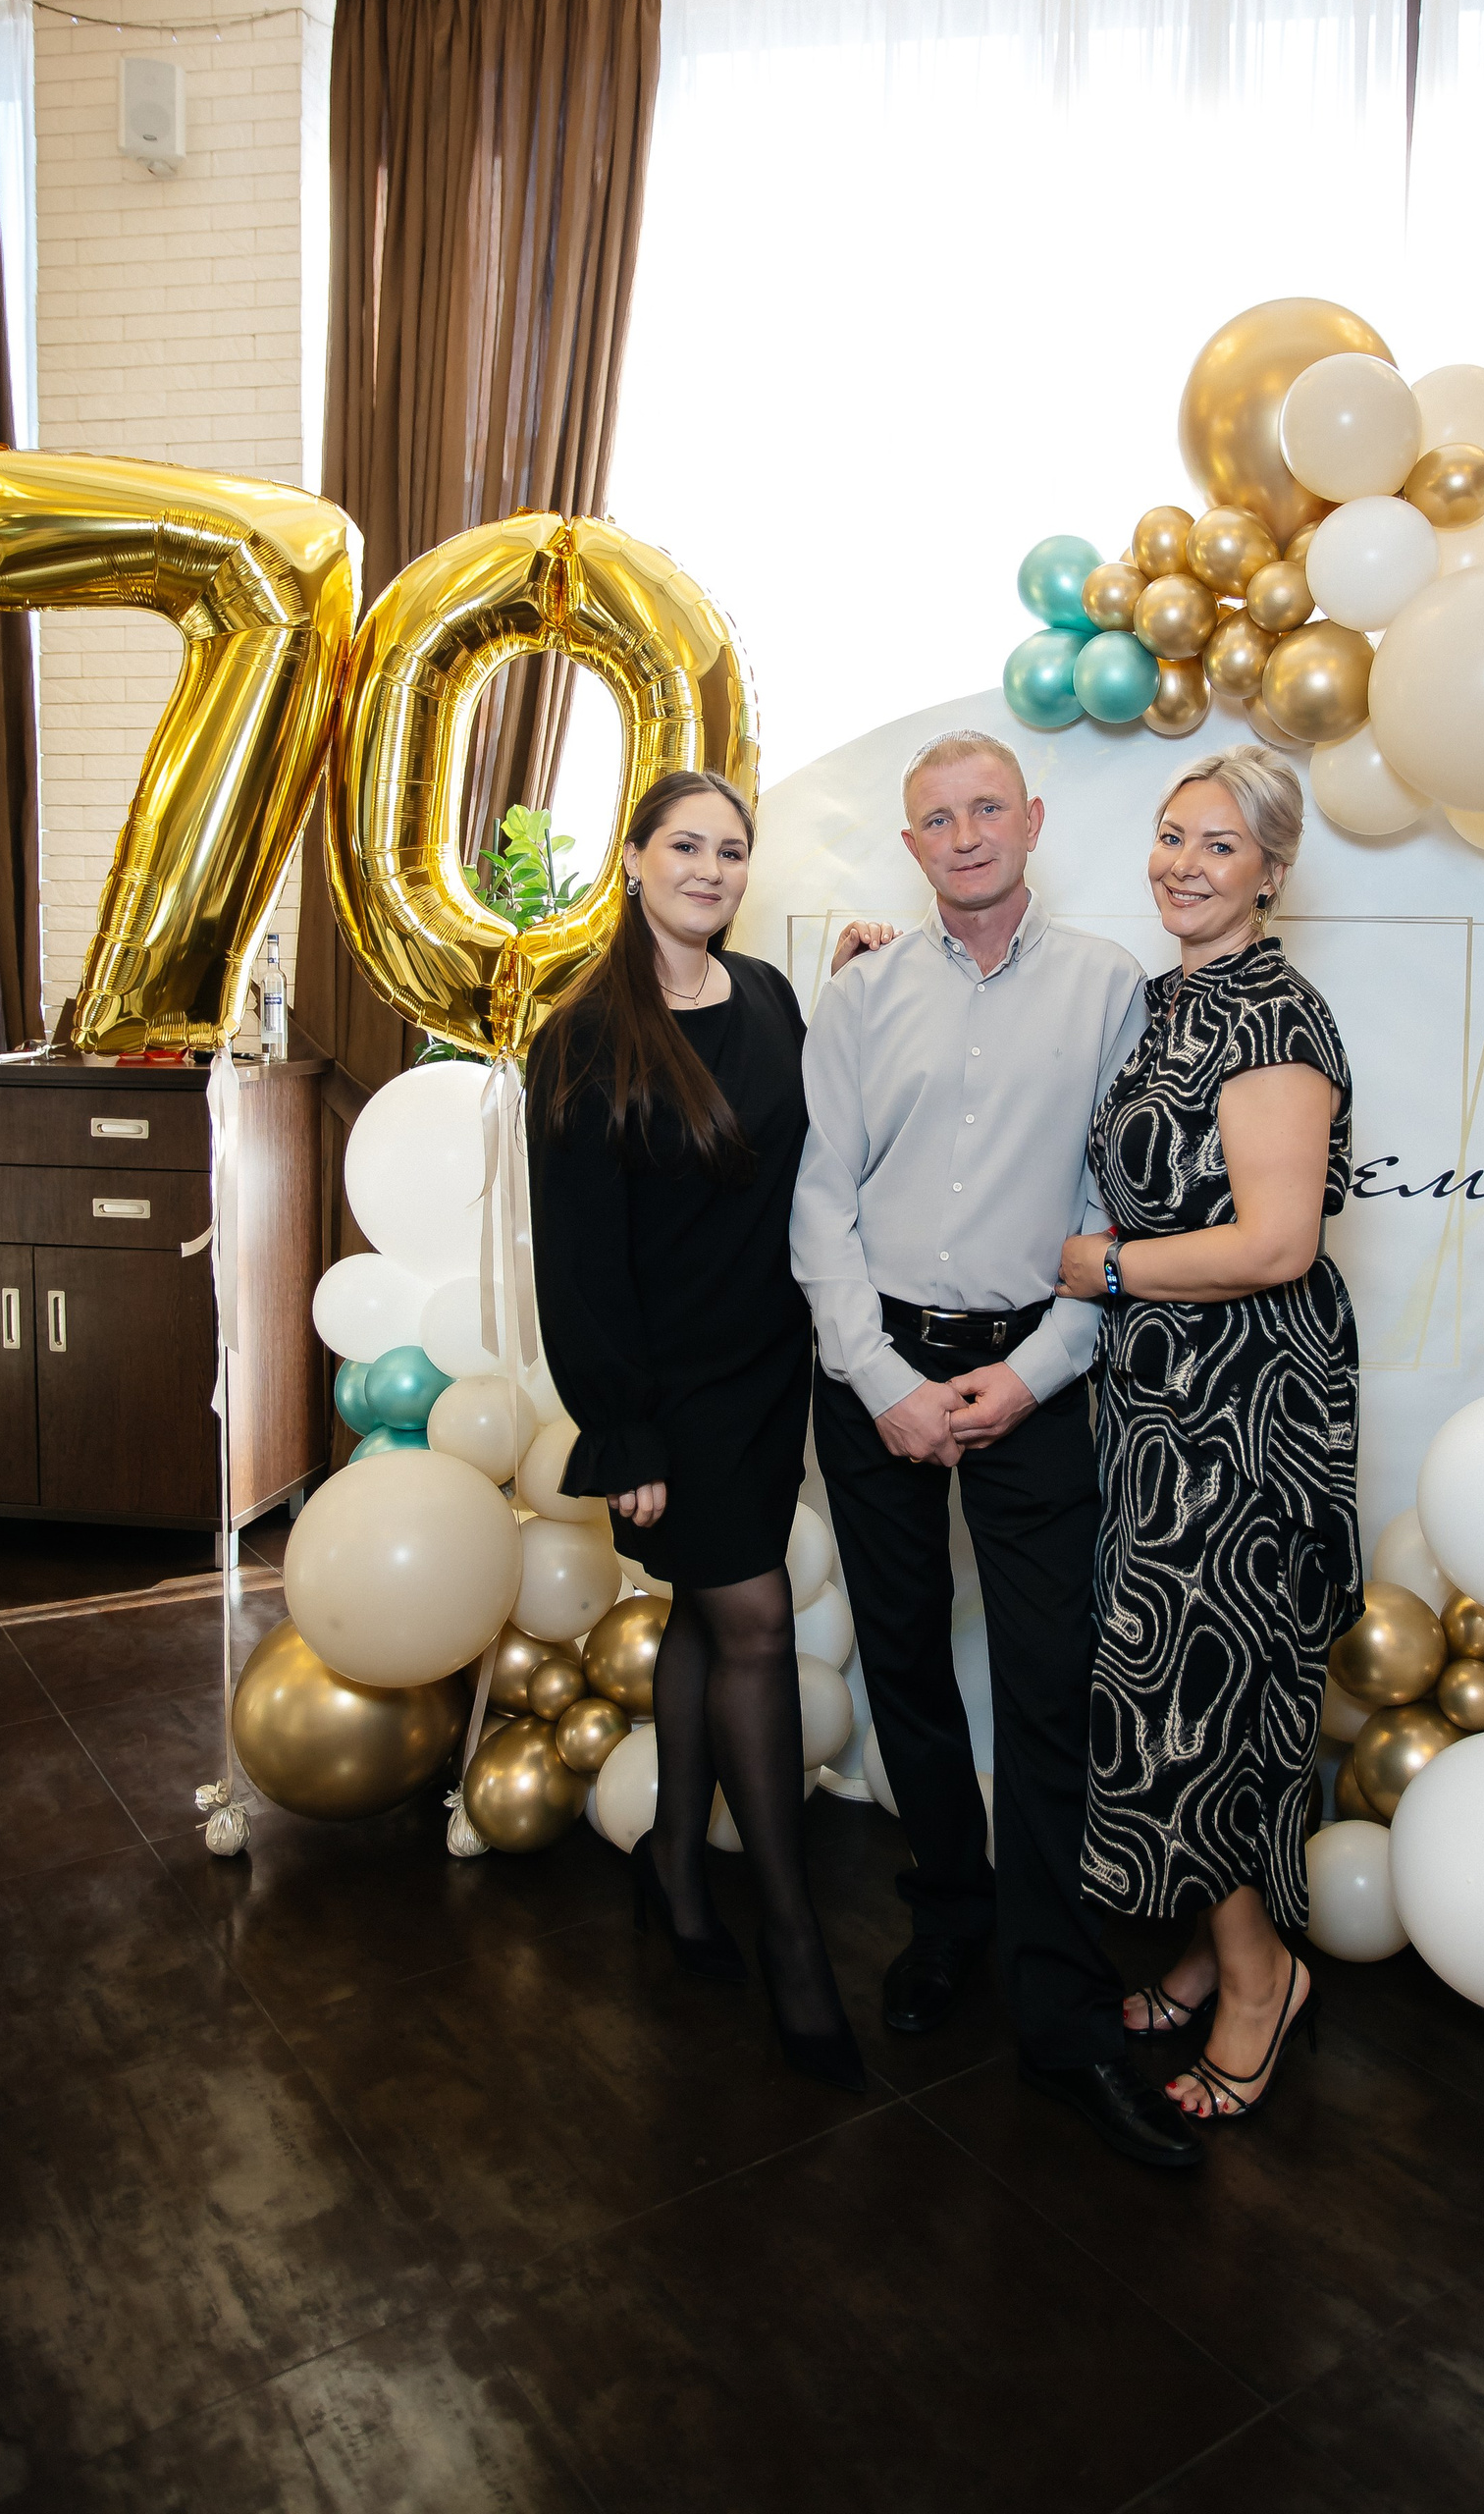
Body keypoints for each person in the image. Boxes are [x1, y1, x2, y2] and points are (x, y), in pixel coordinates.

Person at [792, 730, 1202, 2170]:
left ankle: (1061, 2007)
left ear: (1031, 821)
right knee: (905, 1657)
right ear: (911, 846)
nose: (963, 836)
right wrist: (882, 1379)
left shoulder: (1110, 987)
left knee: (1047, 1682)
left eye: (985, 810)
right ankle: (950, 1914)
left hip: (1040, 1362)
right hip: (877, 1369)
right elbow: (821, 1202)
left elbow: (1119, 1207)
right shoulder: (859, 996)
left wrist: (1034, 1374)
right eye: (935, 819)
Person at [528, 768, 863, 2094]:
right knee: (758, 1625)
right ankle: (791, 1938)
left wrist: (849, 992)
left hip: (769, 1366)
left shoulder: (768, 996)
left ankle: (674, 1857)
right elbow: (579, 1264)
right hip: (673, 1392)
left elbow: (796, 1139)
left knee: (703, 1618)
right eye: (685, 845)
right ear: (633, 859)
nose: (710, 869)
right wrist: (628, 1434)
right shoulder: (583, 1038)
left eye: (731, 849)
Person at [1058, 743, 1361, 2124]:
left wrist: (1107, 1268)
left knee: (1206, 1703)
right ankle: (1207, 1949)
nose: (1184, 864)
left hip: (1243, 1412)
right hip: (1162, 1403)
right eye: (1173, 835)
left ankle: (1260, 1983)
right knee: (1174, 1683)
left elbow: (1278, 1242)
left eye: (1220, 845)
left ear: (1272, 871)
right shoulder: (1172, 997)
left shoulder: (1273, 1015)